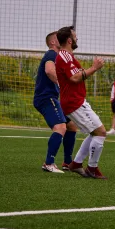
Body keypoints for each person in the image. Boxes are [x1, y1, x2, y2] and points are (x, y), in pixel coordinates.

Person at [55, 26, 107, 179]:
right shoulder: (64, 56)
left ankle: (77, 163)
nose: (77, 39)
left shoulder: (68, 56)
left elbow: (76, 75)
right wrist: (94, 68)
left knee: (95, 132)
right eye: (75, 36)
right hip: (74, 102)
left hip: (77, 101)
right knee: (101, 132)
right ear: (70, 40)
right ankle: (92, 168)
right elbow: (75, 78)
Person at [33, 31, 78, 173]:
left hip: (52, 98)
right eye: (58, 38)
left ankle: (67, 162)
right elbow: (49, 71)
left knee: (71, 126)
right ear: (53, 42)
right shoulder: (51, 54)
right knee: (60, 127)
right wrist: (61, 83)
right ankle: (49, 163)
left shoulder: (58, 56)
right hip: (46, 98)